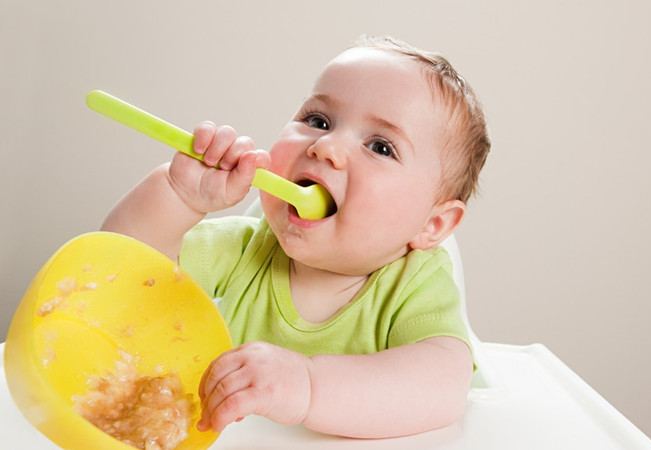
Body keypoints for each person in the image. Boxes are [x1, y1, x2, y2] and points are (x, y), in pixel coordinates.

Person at [101, 36, 490, 439]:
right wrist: (178, 195)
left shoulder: (414, 285)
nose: (327, 146)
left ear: (433, 226)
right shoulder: (246, 249)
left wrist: (307, 385)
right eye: (319, 121)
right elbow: (118, 273)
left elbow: (443, 385)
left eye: (380, 146)